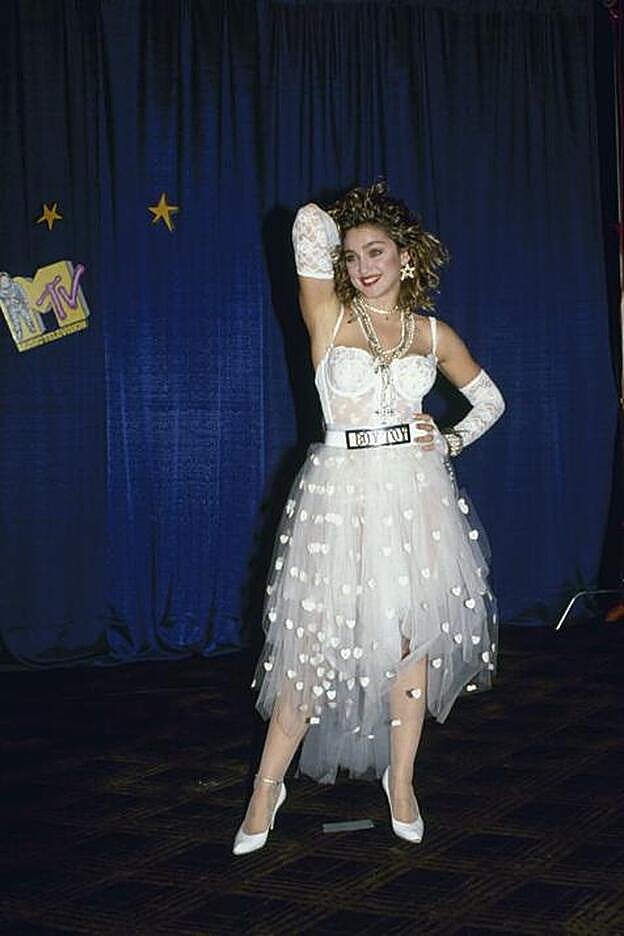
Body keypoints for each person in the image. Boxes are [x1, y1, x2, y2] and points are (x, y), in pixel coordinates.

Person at [233, 181, 505, 855]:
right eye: (352, 255)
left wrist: (448, 440)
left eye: (376, 251)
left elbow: (490, 400)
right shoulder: (327, 314)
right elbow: (305, 227)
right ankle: (267, 788)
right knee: (313, 644)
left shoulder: (433, 333)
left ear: (406, 258)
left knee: (411, 643)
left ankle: (402, 782)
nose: (361, 265)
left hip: (413, 494)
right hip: (338, 489)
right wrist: (351, 217)